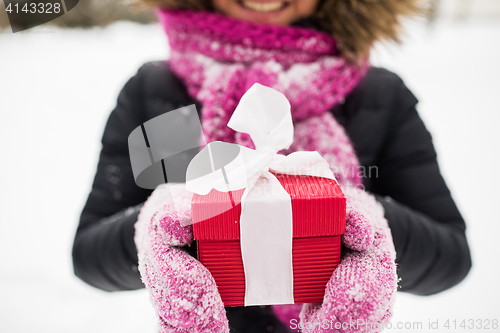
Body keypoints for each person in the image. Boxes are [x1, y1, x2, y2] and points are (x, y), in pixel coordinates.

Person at [72, 0, 472, 332]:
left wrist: (362, 221)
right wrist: (159, 223)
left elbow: (450, 256)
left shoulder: (380, 95)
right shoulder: (156, 92)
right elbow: (89, 255)